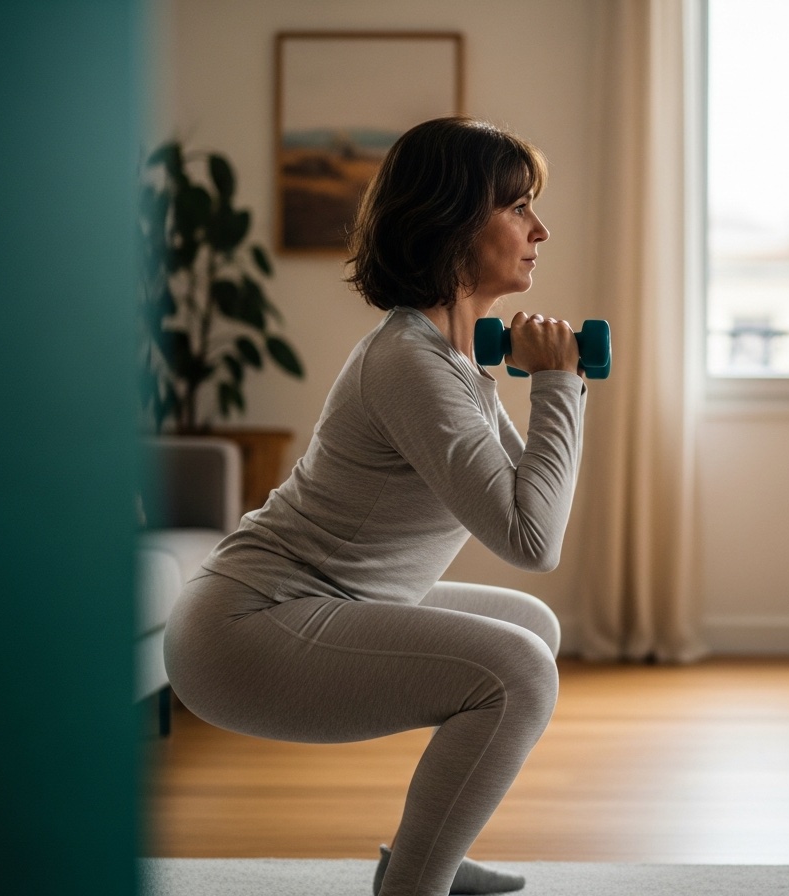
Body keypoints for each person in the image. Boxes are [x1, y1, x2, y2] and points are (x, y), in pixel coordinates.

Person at [163, 116, 588, 896]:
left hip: (312, 604)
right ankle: (414, 888)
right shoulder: (411, 364)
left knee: (532, 628)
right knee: (519, 672)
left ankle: (427, 856)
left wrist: (551, 382)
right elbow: (534, 539)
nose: (541, 229)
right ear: (457, 223)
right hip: (244, 632)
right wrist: (560, 385)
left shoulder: (453, 357)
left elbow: (524, 507)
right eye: (519, 207)